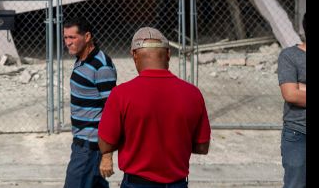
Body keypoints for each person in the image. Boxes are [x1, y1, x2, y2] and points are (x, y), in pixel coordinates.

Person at [97, 27, 210, 188]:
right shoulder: (193, 93)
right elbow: (202, 146)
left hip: (137, 183)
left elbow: (105, 144)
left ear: (134, 54)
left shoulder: (121, 94)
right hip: (177, 183)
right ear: (168, 54)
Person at [62, 17, 117, 188]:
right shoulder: (81, 59)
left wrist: (107, 155)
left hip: (90, 146)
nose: (68, 42)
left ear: (87, 37)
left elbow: (112, 111)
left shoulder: (102, 67)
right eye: (66, 37)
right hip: (82, 141)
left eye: (73, 37)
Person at [277, 12, 306, 188]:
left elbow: (296, 92)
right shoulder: (289, 55)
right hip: (298, 133)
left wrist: (301, 87)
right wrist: (295, 90)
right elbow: (291, 94)